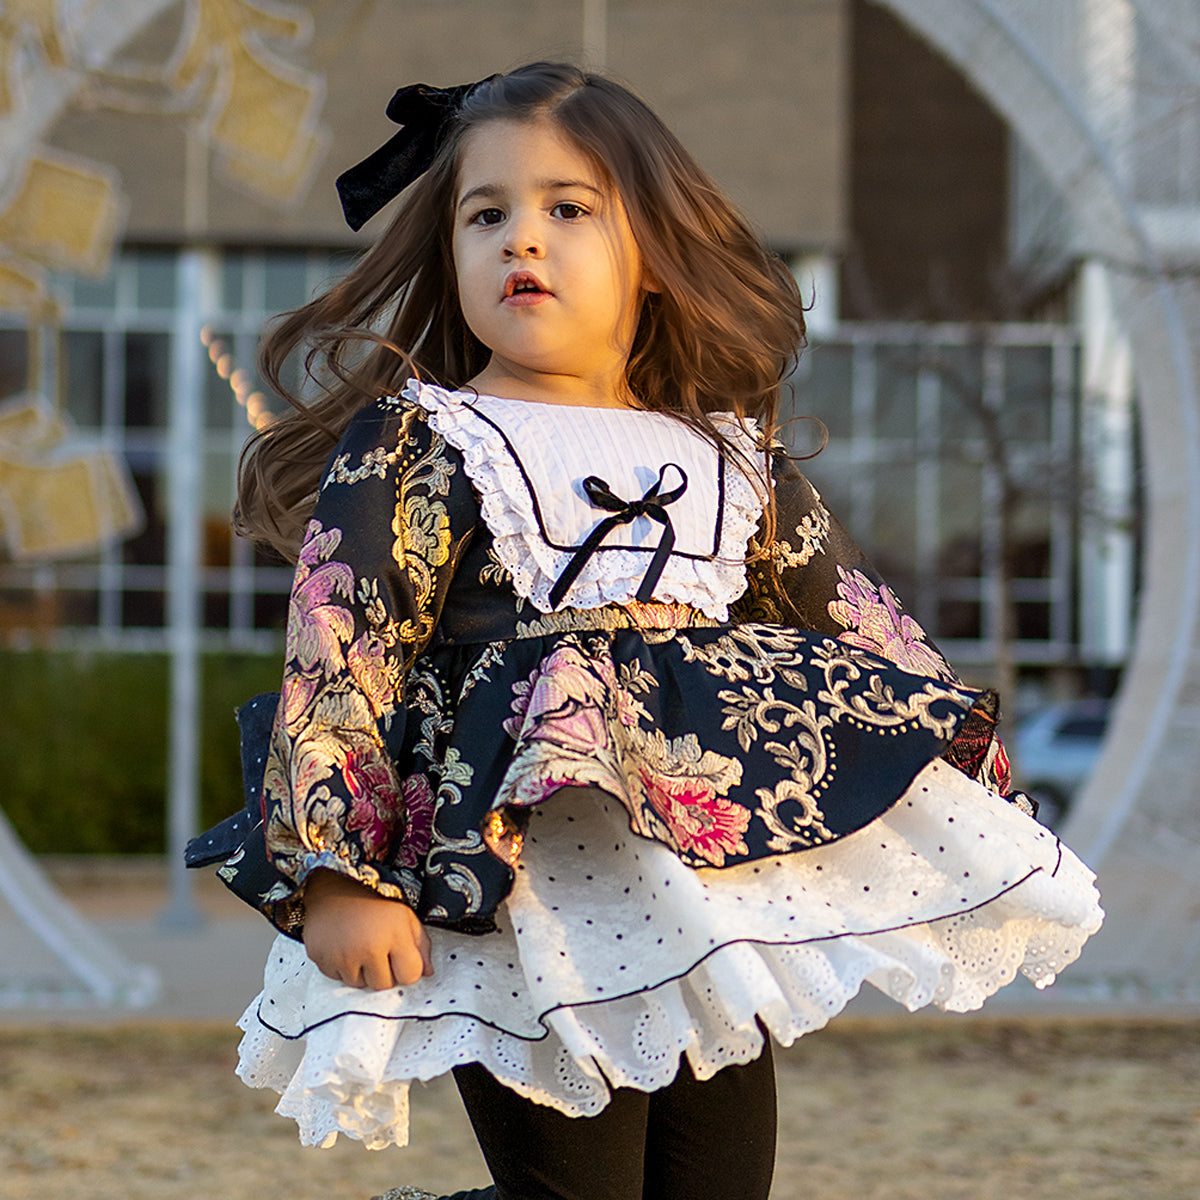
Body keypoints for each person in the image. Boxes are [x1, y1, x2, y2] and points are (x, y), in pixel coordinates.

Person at [189, 62, 1102, 1200]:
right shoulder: (424, 439)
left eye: (569, 208)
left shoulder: (730, 458)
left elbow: (849, 624)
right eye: (486, 215)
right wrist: (338, 874)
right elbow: (342, 649)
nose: (523, 238)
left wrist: (964, 769)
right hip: (516, 884)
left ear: (657, 255)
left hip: (707, 887)